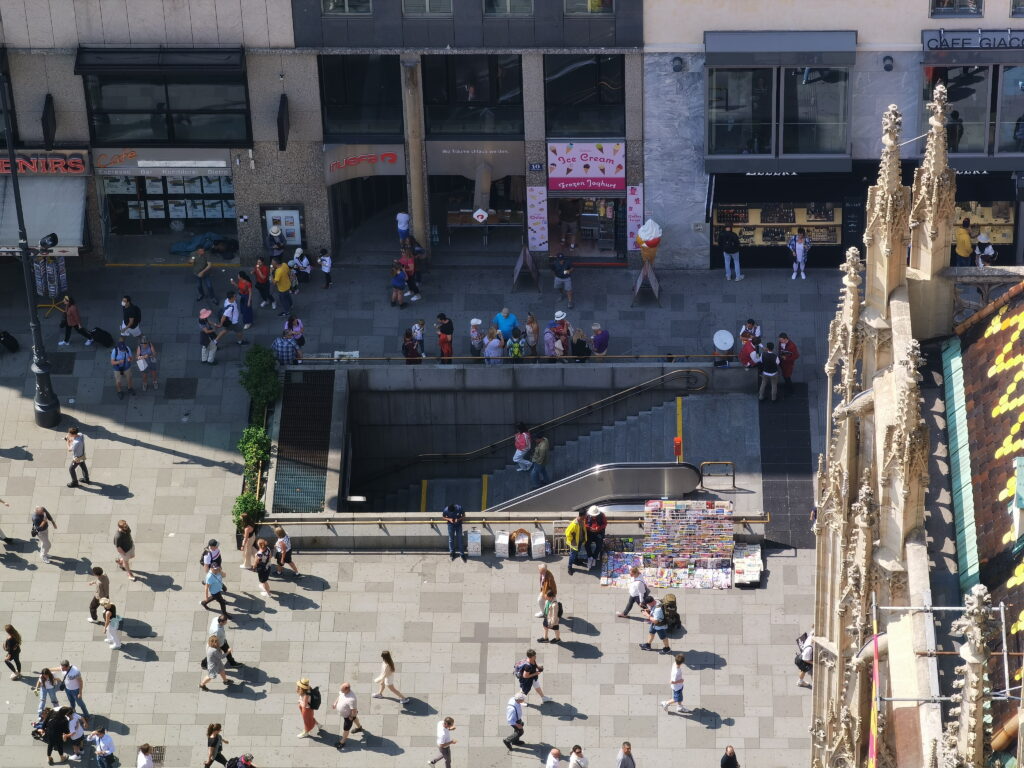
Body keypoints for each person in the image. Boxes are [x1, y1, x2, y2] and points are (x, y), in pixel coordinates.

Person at [332, 681, 363, 747]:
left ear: (346, 689)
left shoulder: (352, 699)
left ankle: (342, 742)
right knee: (355, 718)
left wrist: (351, 717)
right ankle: (359, 727)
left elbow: (354, 711)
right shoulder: (343, 692)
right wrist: (335, 703)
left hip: (348, 716)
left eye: (342, 689)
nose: (340, 690)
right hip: (347, 714)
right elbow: (339, 696)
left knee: (346, 729)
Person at [564, 509, 588, 575]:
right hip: (575, 542)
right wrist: (572, 540)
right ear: (583, 516)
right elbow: (567, 533)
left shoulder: (582, 521)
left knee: (577, 552)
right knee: (573, 554)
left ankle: (576, 561)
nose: (586, 516)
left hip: (579, 541)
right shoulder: (574, 524)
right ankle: (569, 567)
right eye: (586, 515)